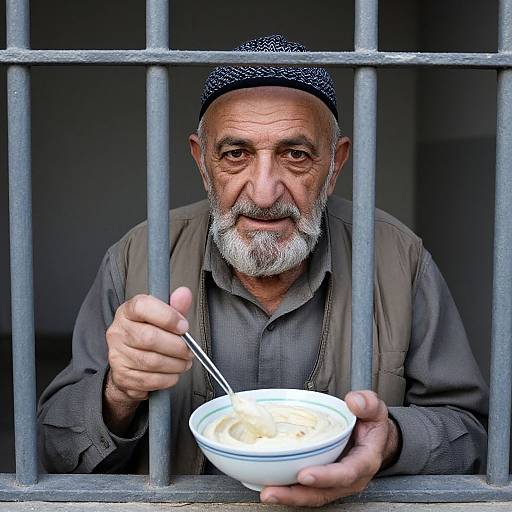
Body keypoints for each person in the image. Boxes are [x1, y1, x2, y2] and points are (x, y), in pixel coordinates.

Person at [38, 35, 488, 507]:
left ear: (335, 164)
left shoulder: (398, 259)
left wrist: (391, 440)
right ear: (202, 161)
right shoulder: (138, 257)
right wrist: (119, 392)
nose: (266, 191)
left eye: (296, 155)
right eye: (236, 154)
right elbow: (55, 452)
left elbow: (473, 438)